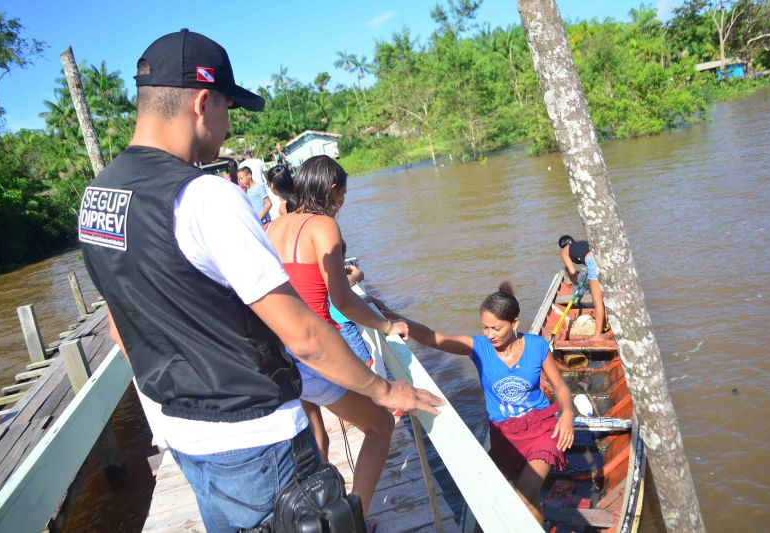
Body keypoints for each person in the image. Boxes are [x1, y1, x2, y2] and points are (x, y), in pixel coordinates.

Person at [77, 29, 442, 532]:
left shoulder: (96, 200)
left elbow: (121, 331)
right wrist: (383, 390)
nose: (228, 128)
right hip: (258, 440)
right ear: (203, 102)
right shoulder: (205, 196)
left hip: (182, 433)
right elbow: (305, 335)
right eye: (229, 107)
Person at [265, 155, 403, 515]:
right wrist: (387, 325)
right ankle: (353, 520)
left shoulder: (272, 228)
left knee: (314, 439)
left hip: (275, 353)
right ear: (332, 190)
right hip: (313, 350)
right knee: (380, 424)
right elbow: (342, 300)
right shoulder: (324, 226)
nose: (342, 203)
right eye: (343, 194)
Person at [380, 283, 574, 525]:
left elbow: (560, 386)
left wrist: (567, 415)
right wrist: (396, 319)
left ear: (514, 323)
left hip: (541, 428)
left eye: (496, 328)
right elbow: (434, 338)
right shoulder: (479, 348)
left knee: (524, 498)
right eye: (485, 327)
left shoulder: (536, 346)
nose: (490, 334)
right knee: (513, 499)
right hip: (504, 434)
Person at [558, 235, 606, 340]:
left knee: (597, 302)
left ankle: (597, 336)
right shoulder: (582, 244)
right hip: (603, 256)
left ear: (563, 246)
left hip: (592, 261)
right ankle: (604, 324)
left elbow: (572, 272)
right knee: (605, 296)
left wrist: (574, 281)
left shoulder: (564, 251)